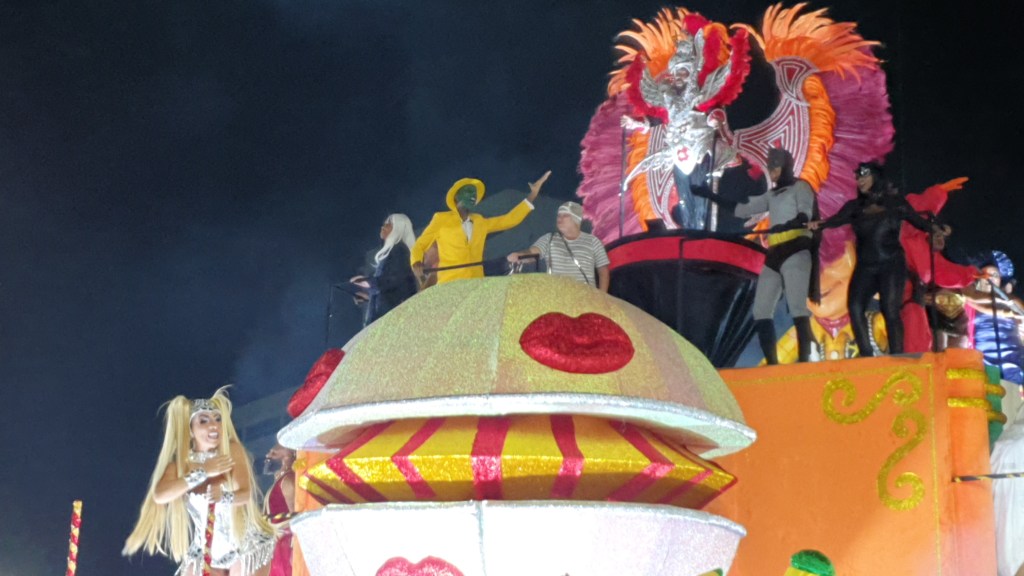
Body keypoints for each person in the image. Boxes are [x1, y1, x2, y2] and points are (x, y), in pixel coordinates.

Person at [124, 389, 274, 576]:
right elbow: (160, 495)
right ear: (190, 430)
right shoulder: (180, 466)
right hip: (204, 550)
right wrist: (203, 472)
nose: (214, 426)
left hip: (245, 543)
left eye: (217, 419)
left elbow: (245, 494)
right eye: (204, 421)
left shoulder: (231, 451)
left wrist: (224, 497)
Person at [810, 162, 940, 356]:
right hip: (866, 267)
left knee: (889, 310)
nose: (860, 181)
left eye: (864, 176)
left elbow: (919, 222)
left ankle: (897, 355)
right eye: (857, 178)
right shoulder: (854, 206)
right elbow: (834, 220)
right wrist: (817, 225)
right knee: (855, 307)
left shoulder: (895, 203)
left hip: (891, 264)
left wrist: (937, 230)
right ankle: (866, 354)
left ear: (876, 177)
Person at [733, 148, 816, 364]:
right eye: (770, 167)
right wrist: (712, 196)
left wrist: (791, 223)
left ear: (786, 166)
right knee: (761, 310)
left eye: (776, 167)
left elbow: (804, 213)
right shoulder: (772, 194)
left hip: (796, 248)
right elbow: (743, 210)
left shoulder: (801, 187)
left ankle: (805, 359)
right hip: (774, 253)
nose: (772, 172)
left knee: (797, 307)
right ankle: (772, 362)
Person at [411, 171, 550, 286]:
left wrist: (532, 195)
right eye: (469, 191)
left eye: (475, 193)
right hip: (449, 284)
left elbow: (509, 220)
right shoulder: (441, 219)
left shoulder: (479, 221)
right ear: (457, 196)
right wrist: (416, 261)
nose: (473, 195)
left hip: (476, 283)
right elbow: (420, 245)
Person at [506, 201, 610, 292]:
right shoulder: (549, 239)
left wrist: (602, 298)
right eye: (559, 216)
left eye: (565, 215)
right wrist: (519, 255)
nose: (560, 219)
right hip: (556, 298)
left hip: (585, 300)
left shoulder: (593, 242)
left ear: (576, 219)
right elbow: (532, 253)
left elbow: (603, 273)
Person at [351, 213, 418, 325]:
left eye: (389, 223)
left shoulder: (400, 250)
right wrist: (367, 294)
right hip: (386, 319)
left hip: (392, 321)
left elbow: (393, 280)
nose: (383, 226)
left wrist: (368, 283)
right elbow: (389, 288)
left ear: (399, 228)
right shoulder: (393, 252)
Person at [263, 444, 296, 576]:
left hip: (286, 550)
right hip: (276, 548)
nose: (268, 456)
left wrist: (295, 549)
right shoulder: (281, 481)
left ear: (288, 455)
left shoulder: (288, 481)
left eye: (274, 453)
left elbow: (297, 519)